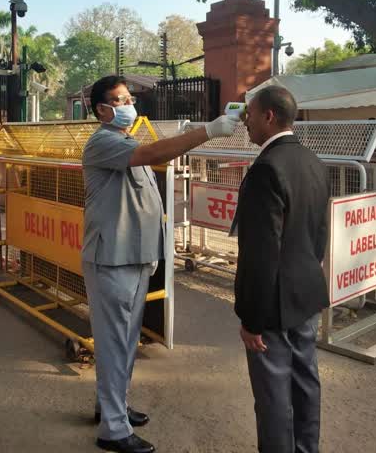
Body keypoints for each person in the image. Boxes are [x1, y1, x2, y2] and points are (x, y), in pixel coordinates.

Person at [82, 75, 240, 453]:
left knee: (123, 340)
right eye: (119, 100)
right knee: (115, 342)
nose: (128, 105)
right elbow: (156, 155)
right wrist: (209, 130)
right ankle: (114, 431)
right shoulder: (104, 141)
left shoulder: (123, 140)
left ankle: (112, 407)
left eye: (128, 98)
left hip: (133, 258)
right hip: (113, 261)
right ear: (103, 110)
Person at [232, 86, 330, 453]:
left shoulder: (265, 170)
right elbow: (319, 232)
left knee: (273, 395)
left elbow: (260, 253)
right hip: (306, 294)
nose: (246, 122)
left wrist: (251, 319)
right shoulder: (312, 159)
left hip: (272, 306)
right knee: (306, 382)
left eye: (250, 115)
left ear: (269, 117)